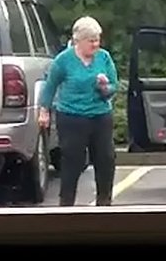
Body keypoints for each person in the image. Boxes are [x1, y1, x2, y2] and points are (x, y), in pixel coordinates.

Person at [38, 16, 119, 206]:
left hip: (100, 114)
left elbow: (114, 86)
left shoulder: (103, 57)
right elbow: (50, 86)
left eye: (97, 40)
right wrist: (44, 111)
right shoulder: (64, 60)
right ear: (78, 41)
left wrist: (105, 86)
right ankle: (66, 205)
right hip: (71, 116)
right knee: (73, 160)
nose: (95, 44)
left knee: (106, 158)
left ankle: (104, 202)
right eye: (91, 41)